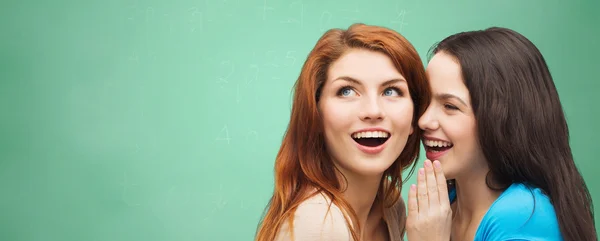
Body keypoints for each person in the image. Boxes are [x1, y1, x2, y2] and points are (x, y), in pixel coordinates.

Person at [405, 27, 597, 241]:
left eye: (450, 106)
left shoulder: (524, 216)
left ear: (501, 118)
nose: (423, 120)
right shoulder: (445, 205)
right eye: (425, 101)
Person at [254, 23, 431, 241]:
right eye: (347, 91)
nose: (373, 111)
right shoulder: (319, 224)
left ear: (414, 116)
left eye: (391, 90)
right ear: (315, 113)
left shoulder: (390, 206)